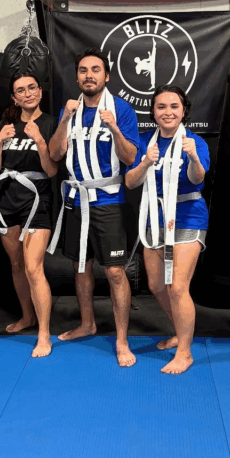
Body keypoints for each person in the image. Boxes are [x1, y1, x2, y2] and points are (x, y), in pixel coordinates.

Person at [48, 48, 139, 367]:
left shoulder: (122, 110)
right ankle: (87, 323)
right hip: (76, 199)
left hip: (108, 200)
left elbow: (130, 159)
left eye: (96, 70)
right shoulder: (70, 110)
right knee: (80, 266)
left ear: (107, 76)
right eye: (84, 70)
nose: (89, 75)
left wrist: (113, 127)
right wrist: (66, 119)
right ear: (77, 76)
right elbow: (55, 154)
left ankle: (122, 340)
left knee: (114, 271)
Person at [125, 85, 209, 374]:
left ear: (183, 110)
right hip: (155, 219)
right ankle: (180, 331)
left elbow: (198, 179)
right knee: (157, 286)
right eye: (161, 107)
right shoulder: (146, 141)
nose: (168, 112)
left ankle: (185, 352)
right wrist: (146, 161)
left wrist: (194, 157)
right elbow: (131, 182)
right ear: (154, 112)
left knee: (177, 287)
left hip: (188, 218)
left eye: (174, 106)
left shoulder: (194, 141)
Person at [0, 71, 58, 358]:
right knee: (16, 264)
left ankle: (44, 333)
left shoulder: (51, 123)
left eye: (32, 88)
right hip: (6, 200)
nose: (27, 93)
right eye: (21, 90)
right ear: (14, 97)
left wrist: (40, 140)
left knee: (33, 267)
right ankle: (27, 317)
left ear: (40, 92)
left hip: (37, 200)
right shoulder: (5, 125)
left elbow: (52, 171)